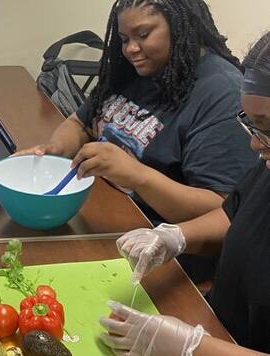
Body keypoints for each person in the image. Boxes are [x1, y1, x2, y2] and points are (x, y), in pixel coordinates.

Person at [99, 32, 270, 355]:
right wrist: (175, 237)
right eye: (253, 124)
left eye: (269, 128)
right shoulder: (268, 162)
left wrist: (192, 348)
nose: (255, 144)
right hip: (215, 325)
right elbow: (235, 213)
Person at [16, 0, 255, 226]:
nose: (130, 49)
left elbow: (223, 209)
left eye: (143, 35)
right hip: (99, 204)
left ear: (182, 27)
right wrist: (55, 150)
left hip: (153, 237)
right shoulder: (129, 70)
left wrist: (137, 176)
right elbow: (80, 122)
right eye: (124, 38)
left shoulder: (221, 94)